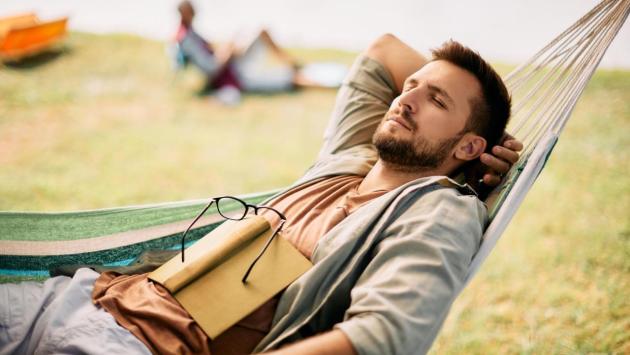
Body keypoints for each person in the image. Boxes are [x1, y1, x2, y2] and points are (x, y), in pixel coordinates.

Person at [0, 34, 522, 355]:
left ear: (469, 143)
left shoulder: (436, 211)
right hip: (82, 298)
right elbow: (383, 49)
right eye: (410, 86)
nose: (406, 100)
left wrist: (475, 155)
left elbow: (386, 336)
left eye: (435, 100)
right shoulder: (346, 160)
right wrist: (474, 134)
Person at [174, 1, 299, 104]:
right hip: (230, 74)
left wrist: (227, 47)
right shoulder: (186, 39)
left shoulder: (190, 32)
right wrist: (226, 54)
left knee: (261, 32)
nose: (195, 13)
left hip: (231, 66)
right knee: (288, 78)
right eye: (192, 10)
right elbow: (209, 68)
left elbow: (210, 51)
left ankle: (291, 63)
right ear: (184, 13)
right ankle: (293, 65)